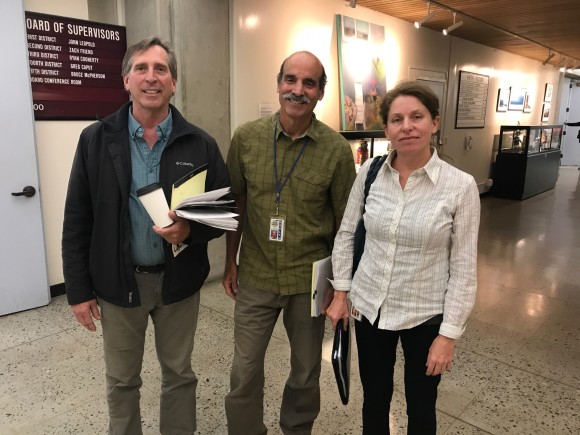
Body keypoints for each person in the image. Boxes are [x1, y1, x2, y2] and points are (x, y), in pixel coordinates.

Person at [62, 37, 229, 434]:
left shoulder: (200, 143)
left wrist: (189, 229)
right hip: (119, 284)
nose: (151, 77)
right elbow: (77, 218)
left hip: (179, 283)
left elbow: (224, 211)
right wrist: (78, 290)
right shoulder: (96, 140)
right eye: (141, 68)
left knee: (179, 374)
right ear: (126, 80)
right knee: (122, 381)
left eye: (161, 70)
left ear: (174, 83)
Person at [326, 81, 481, 434]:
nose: (407, 126)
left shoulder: (460, 186)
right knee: (375, 400)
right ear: (387, 129)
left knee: (421, 407)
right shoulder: (369, 173)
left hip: (424, 316)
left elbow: (464, 268)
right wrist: (340, 293)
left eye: (416, 117)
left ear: (434, 123)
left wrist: (449, 335)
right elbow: (347, 233)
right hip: (370, 308)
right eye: (397, 119)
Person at [222, 51, 356, 434]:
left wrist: (342, 288)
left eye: (308, 83)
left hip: (309, 280)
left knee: (306, 370)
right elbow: (237, 204)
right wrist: (230, 261)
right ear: (279, 82)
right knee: (244, 370)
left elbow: (344, 224)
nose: (298, 90)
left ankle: (296, 429)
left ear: (320, 92)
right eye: (291, 80)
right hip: (257, 273)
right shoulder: (247, 138)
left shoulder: (335, 150)